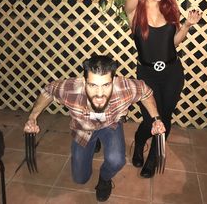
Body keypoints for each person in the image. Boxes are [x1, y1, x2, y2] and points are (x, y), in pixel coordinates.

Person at [24, 55, 165, 202]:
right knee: (80, 179)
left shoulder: (125, 88)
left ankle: (104, 180)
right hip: (83, 129)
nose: (99, 94)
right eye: (93, 85)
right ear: (84, 82)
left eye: (106, 85)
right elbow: (48, 91)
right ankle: (94, 141)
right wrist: (32, 117)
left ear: (113, 81)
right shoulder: (70, 89)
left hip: (111, 125)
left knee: (117, 160)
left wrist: (156, 118)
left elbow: (146, 93)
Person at [123, 0, 202, 178]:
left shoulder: (169, 9)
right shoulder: (134, 12)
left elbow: (173, 43)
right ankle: (139, 139)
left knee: (165, 117)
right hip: (147, 74)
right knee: (150, 119)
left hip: (172, 71)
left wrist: (187, 25)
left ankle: (153, 158)